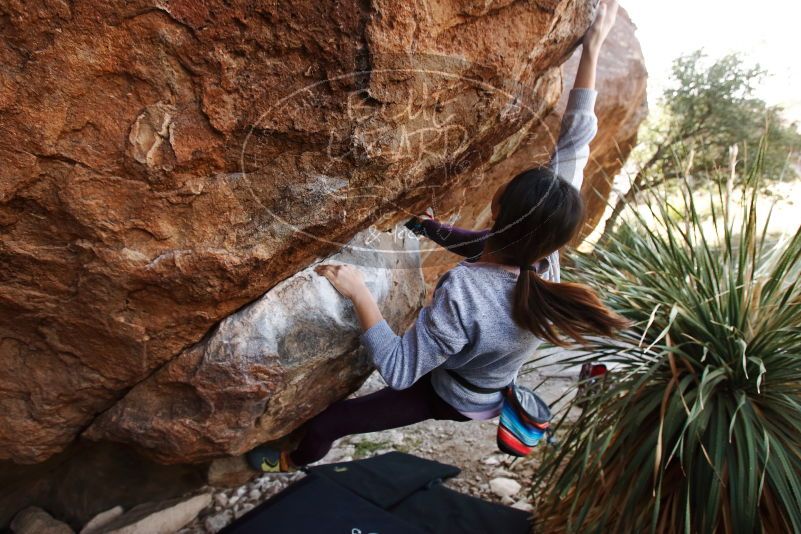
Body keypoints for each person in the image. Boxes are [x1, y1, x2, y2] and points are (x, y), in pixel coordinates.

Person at [247, 0, 625, 473]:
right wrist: (593, 47)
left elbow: (402, 369)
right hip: (479, 368)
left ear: (497, 209)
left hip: (453, 395)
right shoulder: (543, 253)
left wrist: (359, 290)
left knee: (332, 423)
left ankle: (288, 460)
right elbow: (576, 140)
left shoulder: (469, 293)